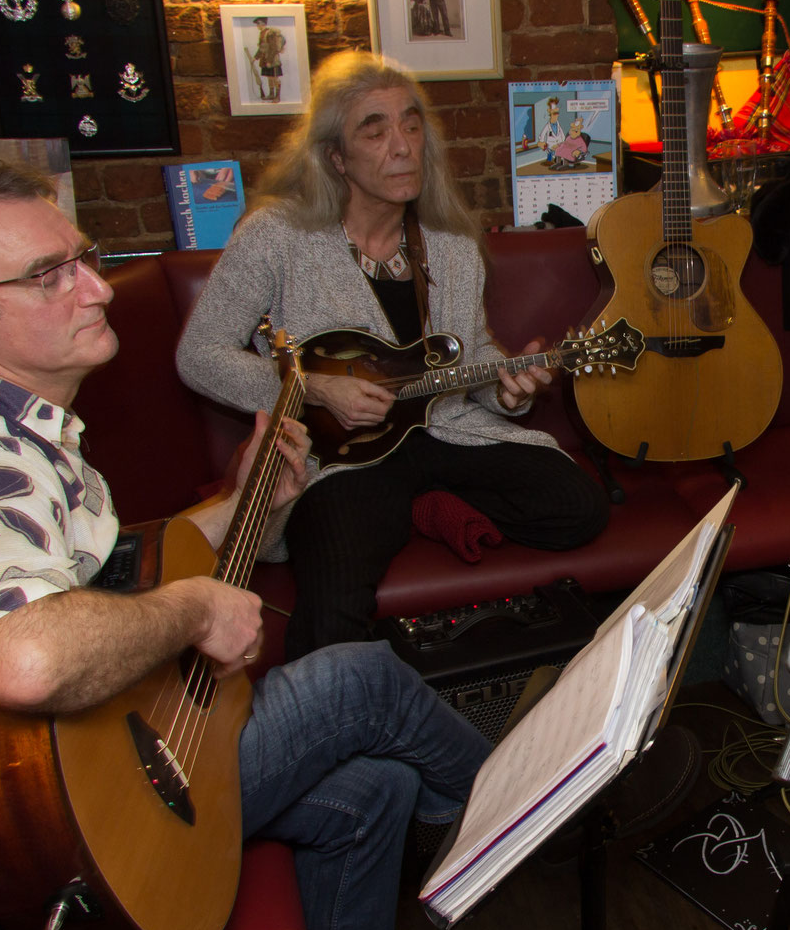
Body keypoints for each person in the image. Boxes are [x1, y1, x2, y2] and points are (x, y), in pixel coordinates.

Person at [0, 160, 494, 930]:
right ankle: (518, 812)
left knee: (372, 791)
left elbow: (106, 572)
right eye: (48, 274)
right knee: (358, 681)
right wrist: (189, 607)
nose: (97, 287)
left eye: (86, 258)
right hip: (25, 850)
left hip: (69, 779)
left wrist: (253, 500)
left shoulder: (7, 422)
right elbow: (23, 660)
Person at [176, 51, 608, 660]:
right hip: (343, 459)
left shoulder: (452, 246)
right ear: (336, 157)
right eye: (373, 130)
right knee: (331, 606)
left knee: (578, 508)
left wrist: (507, 388)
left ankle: (426, 504)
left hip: (445, 432)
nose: (402, 144)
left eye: (411, 123)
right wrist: (317, 388)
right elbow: (199, 354)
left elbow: (471, 355)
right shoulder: (277, 236)